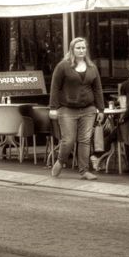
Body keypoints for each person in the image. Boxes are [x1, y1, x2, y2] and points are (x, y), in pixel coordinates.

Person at [49, 37, 105, 181]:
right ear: (72, 49)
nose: (81, 50)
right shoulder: (63, 66)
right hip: (67, 109)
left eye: (83, 48)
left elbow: (98, 89)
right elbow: (55, 87)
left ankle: (84, 171)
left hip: (88, 109)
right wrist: (53, 108)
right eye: (78, 48)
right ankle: (61, 161)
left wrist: (101, 109)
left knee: (85, 140)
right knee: (68, 140)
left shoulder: (92, 67)